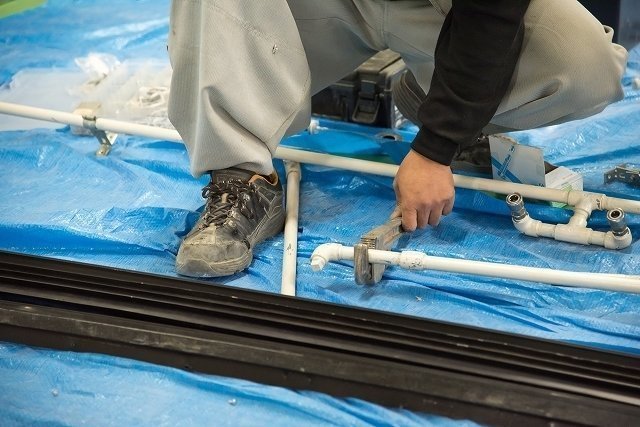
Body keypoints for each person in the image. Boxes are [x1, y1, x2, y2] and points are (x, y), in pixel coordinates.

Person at [167, 0, 627, 278]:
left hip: (437, 10)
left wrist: (438, 142)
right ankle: (240, 174)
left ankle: (440, 97)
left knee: (583, 66)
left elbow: (492, 12)